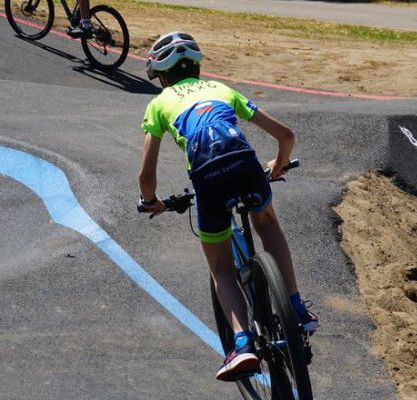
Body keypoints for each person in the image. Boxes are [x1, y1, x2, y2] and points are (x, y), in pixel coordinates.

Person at [137, 32, 319, 382]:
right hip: (245, 161)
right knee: (266, 223)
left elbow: (146, 175)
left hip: (208, 175)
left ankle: (242, 343)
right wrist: (278, 164)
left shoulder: (159, 104)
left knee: (220, 267)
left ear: (161, 75)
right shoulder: (221, 89)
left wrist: (151, 201)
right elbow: (286, 136)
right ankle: (296, 307)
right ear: (198, 66)